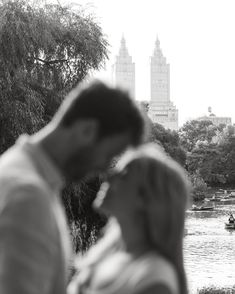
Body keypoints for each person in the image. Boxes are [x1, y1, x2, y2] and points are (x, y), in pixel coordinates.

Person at [0, 80, 145, 294]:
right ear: (87, 130)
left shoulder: (16, 169)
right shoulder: (29, 195)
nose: (106, 168)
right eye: (109, 154)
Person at [68, 144, 189, 294]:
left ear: (146, 198)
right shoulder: (103, 256)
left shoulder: (153, 277)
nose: (108, 176)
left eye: (123, 174)